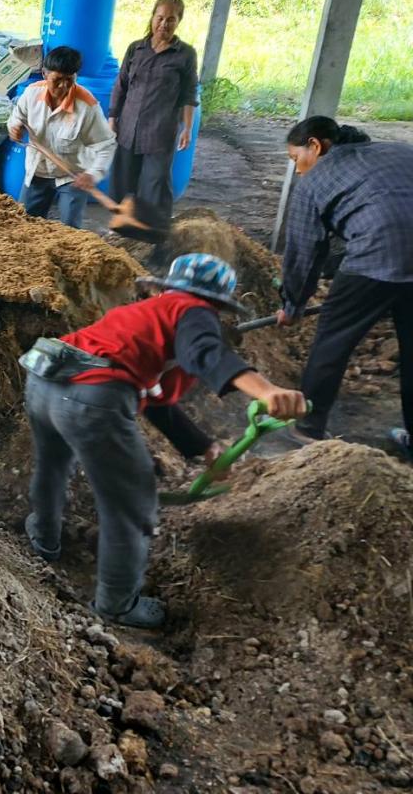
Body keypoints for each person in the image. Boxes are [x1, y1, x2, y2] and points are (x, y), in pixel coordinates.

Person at [20, 253, 307, 628]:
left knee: (53, 465)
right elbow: (206, 353)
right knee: (132, 502)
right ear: (218, 303)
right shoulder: (194, 311)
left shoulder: (147, 314)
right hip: (90, 398)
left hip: (44, 379)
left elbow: (157, 403)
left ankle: (44, 538)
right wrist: (266, 390)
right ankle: (118, 605)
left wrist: (204, 447)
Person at [275, 116, 413, 461]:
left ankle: (306, 426)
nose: (298, 171)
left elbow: (305, 253)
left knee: (333, 341)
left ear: (316, 146)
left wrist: (292, 306)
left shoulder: (314, 181)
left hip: (377, 254)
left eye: (296, 160)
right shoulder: (398, 150)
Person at [107, 0, 199, 230]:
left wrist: (187, 128)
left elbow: (189, 94)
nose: (163, 24)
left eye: (171, 19)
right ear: (152, 17)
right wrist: (112, 117)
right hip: (129, 127)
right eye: (160, 18)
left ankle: (156, 233)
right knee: (123, 180)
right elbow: (121, 85)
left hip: (160, 130)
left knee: (155, 182)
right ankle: (124, 231)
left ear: (178, 22)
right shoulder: (136, 49)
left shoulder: (185, 54)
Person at [7, 46, 116, 229]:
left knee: (70, 231)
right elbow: (16, 118)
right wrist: (14, 128)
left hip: (72, 177)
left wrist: (92, 174)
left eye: (69, 80)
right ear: (44, 74)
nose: (64, 86)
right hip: (38, 171)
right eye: (57, 80)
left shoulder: (87, 106)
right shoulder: (31, 94)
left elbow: (106, 146)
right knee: (24, 225)